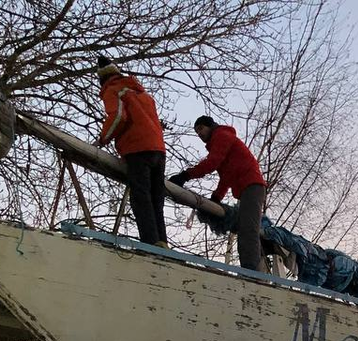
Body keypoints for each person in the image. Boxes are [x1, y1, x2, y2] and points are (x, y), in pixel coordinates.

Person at [170, 115, 267, 271]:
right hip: (247, 188)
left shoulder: (221, 136)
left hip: (252, 185)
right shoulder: (222, 141)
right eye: (196, 132)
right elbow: (226, 176)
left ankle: (251, 272)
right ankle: (255, 269)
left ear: (210, 126)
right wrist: (216, 197)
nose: (199, 134)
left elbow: (212, 163)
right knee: (246, 227)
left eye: (201, 128)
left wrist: (185, 175)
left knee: (248, 229)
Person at [95, 55, 168, 248]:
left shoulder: (114, 90)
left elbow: (119, 116)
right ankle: (162, 241)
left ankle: (151, 243)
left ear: (102, 79)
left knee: (141, 197)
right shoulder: (142, 94)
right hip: (159, 150)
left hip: (137, 148)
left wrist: (103, 139)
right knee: (156, 198)